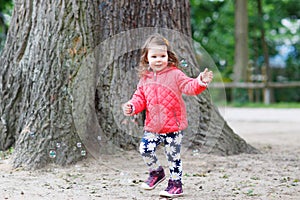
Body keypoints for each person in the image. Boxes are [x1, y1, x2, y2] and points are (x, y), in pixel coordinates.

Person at [122, 33, 213, 198]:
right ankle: (156, 173)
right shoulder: (145, 79)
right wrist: (132, 106)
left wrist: (200, 81)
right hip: (153, 126)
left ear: (168, 56)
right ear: (147, 58)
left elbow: (190, 87)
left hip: (173, 126)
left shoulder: (175, 74)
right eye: (154, 56)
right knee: (145, 149)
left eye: (162, 56)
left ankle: (176, 185)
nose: (159, 59)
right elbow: (139, 98)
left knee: (173, 156)